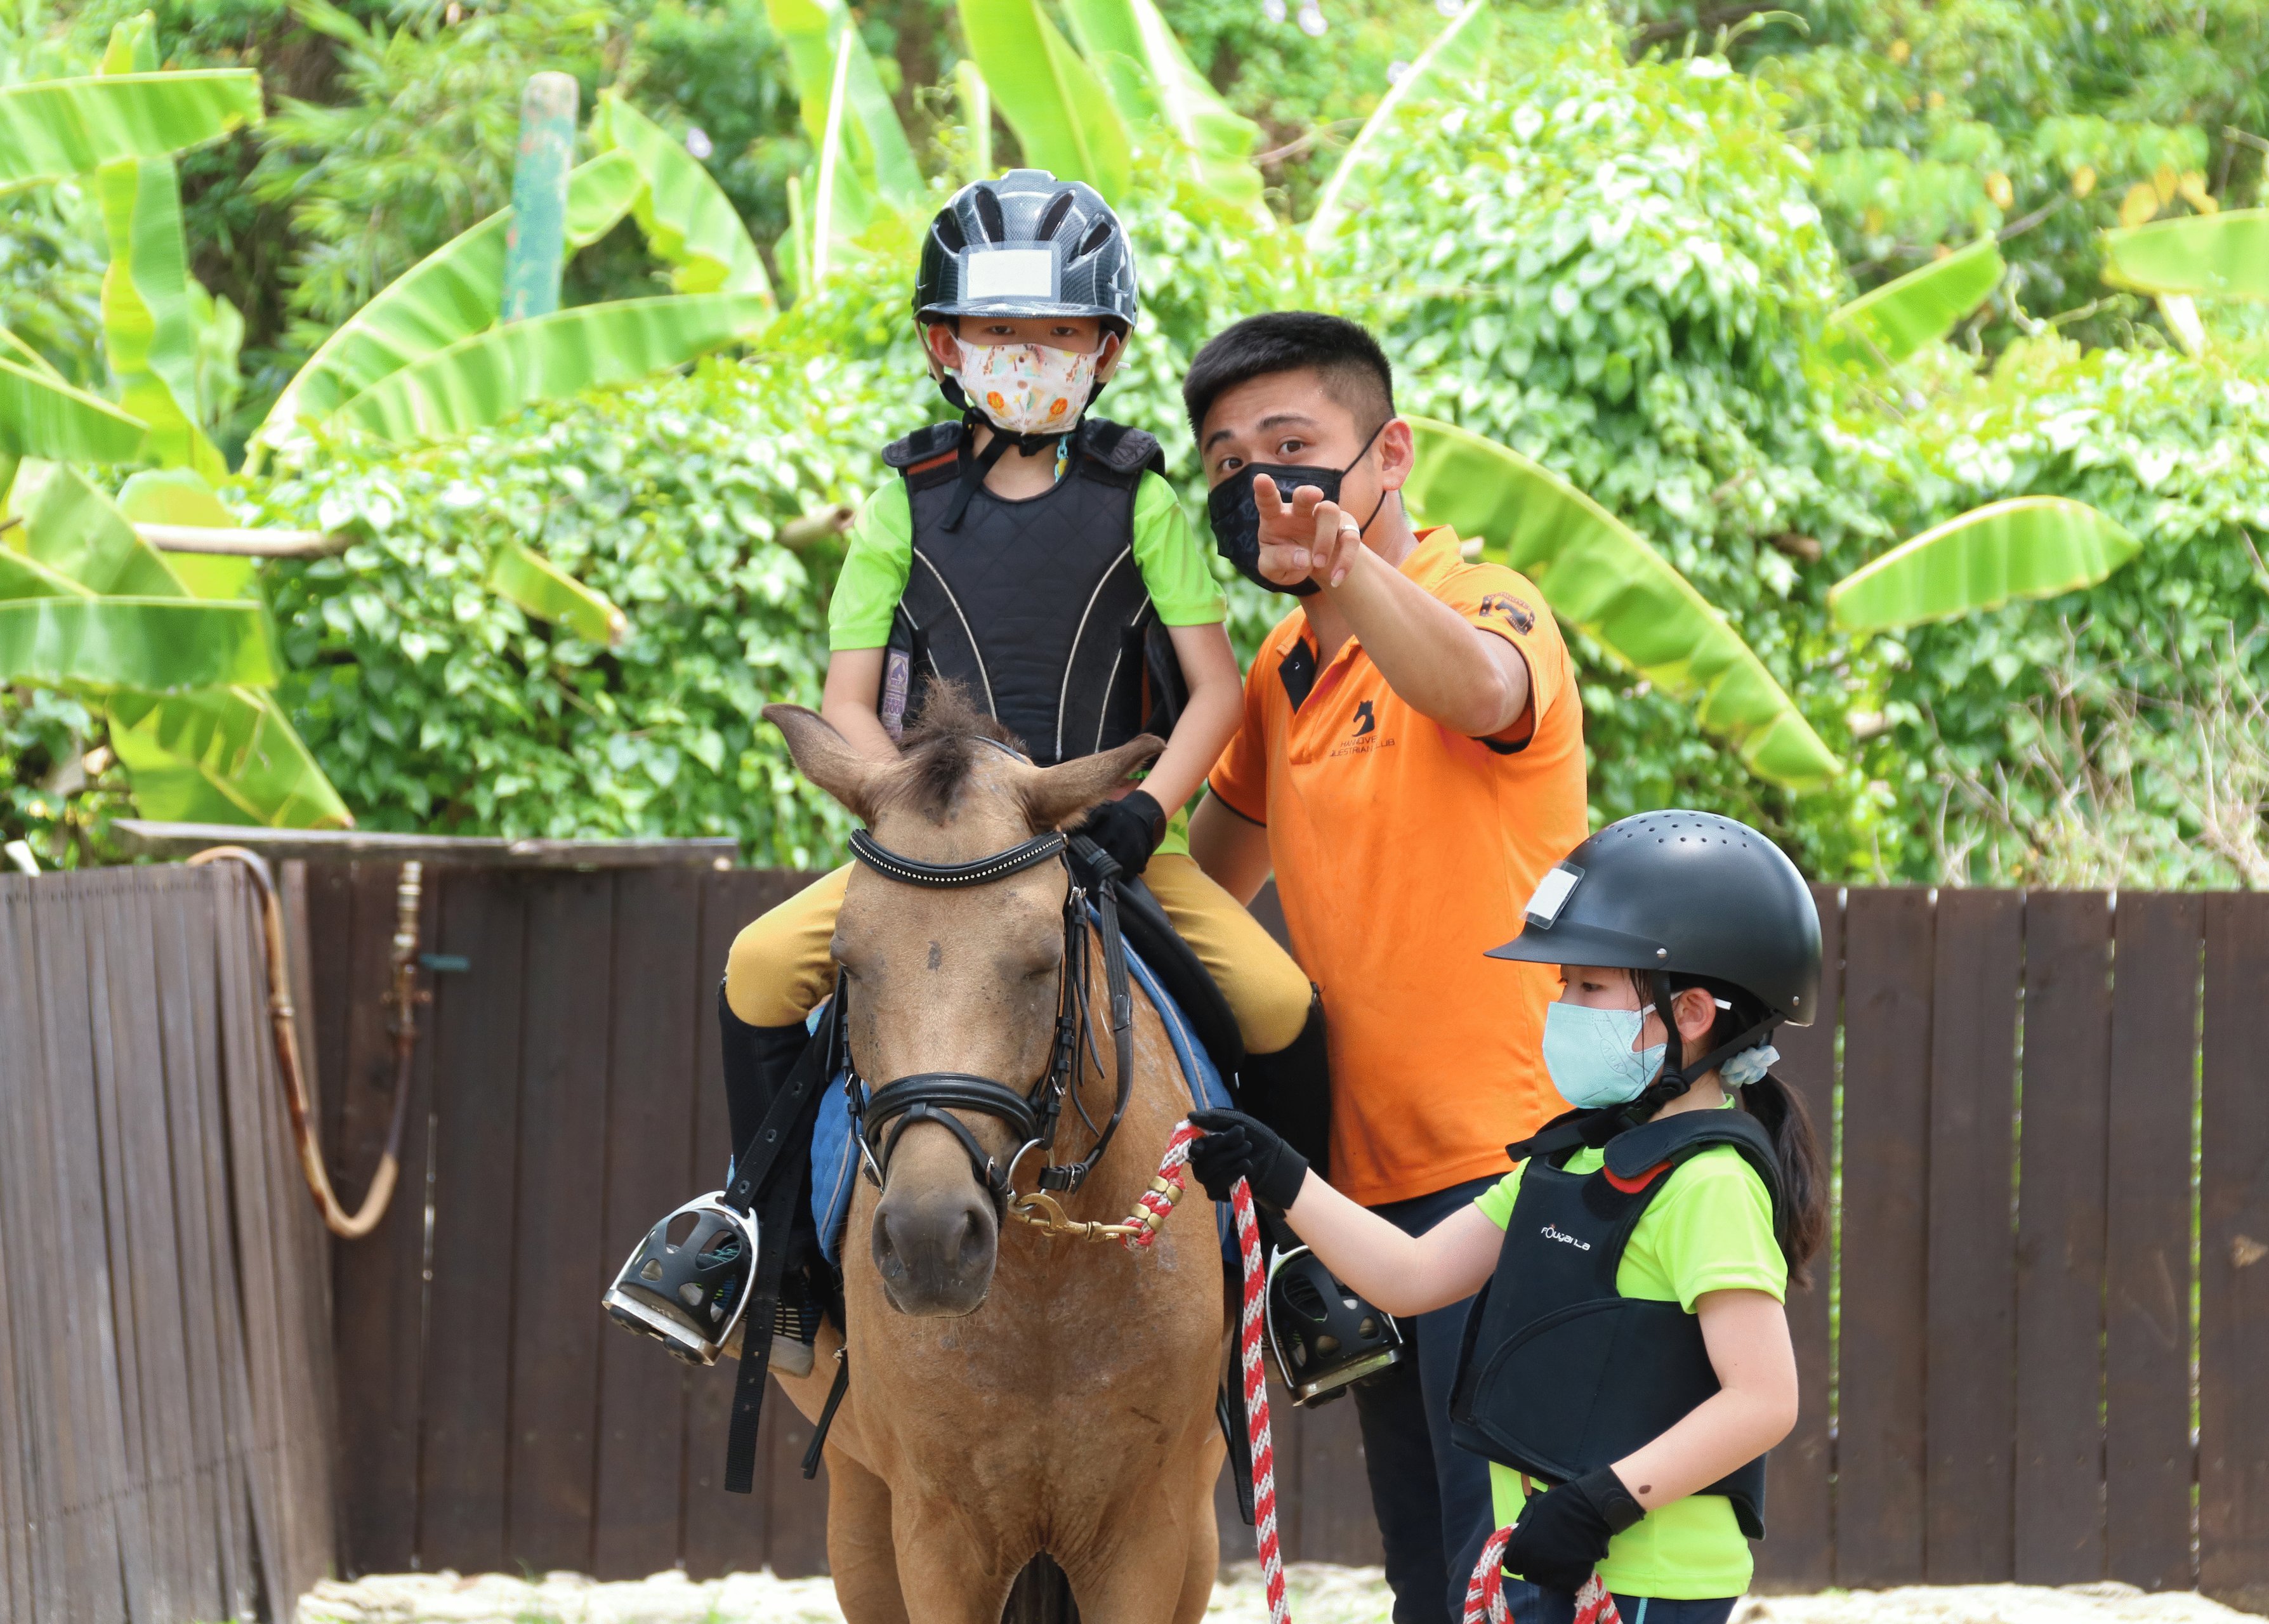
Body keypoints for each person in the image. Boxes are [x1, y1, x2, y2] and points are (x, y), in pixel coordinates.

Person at [709, 173, 1327, 1368]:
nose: (1028, 354)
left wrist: (1147, 815)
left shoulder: (1142, 498)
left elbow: (1215, 690)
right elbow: (848, 698)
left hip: (1098, 843)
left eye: (1059, 332)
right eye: (1000, 330)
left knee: (1281, 1003)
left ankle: (1298, 1277)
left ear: (1104, 353)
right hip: (934, 852)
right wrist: (914, 818)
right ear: (945, 343)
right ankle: (765, 1244)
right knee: (753, 969)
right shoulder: (901, 499)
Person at [1182, 311, 1588, 1620]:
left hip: (1514, 1169)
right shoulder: (1279, 669)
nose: (1259, 484)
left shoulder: (1490, 603)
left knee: (1525, 1571)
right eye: (1228, 461)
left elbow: (1479, 689)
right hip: (1361, 1200)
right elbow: (1201, 882)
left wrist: (1350, 569)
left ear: (1389, 452)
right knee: (1429, 1571)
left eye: (1291, 447)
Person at [1188, 809, 1827, 1624]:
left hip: (1647, 1580)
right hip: (1561, 1561)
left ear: (1693, 1012)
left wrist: (1602, 1504)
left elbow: (1765, 1399)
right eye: (1566, 986)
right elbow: (1411, 1276)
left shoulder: (1711, 1185)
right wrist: (1281, 1173)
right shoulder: (1573, 1161)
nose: (1565, 1007)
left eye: (1591, 986)